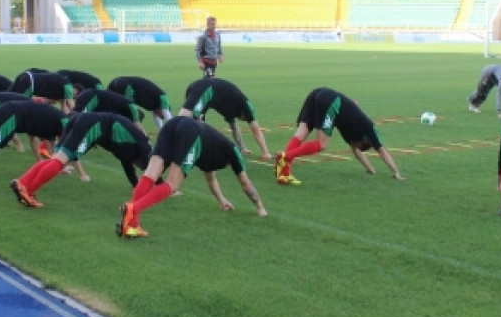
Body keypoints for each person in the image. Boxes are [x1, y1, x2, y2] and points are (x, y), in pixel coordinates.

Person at [116, 116, 266, 239]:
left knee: (150, 175)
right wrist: (260, 207)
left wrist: (222, 200)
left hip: (173, 123)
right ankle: (132, 208)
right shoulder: (235, 153)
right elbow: (245, 183)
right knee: (172, 184)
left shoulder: (214, 154)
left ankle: (132, 226)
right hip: (192, 133)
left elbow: (211, 179)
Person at [10, 112, 151, 208]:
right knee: (60, 161)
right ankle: (27, 191)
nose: (136, 165)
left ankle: (23, 182)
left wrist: (136, 184)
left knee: (56, 159)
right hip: (92, 124)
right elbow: (150, 166)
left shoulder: (129, 149)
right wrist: (159, 183)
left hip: (80, 119)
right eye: (139, 165)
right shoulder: (142, 144)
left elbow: (128, 166)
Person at [274, 87, 404, 185]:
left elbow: (356, 150)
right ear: (363, 141)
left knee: (300, 134)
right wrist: (396, 172)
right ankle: (285, 156)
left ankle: (283, 173)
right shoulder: (369, 129)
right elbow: (382, 151)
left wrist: (370, 169)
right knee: (321, 144)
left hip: (317, 93)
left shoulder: (351, 134)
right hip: (330, 100)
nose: (356, 147)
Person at [179, 77, 272, 159]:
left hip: (201, 92)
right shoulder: (246, 105)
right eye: (245, 119)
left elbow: (234, 128)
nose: (244, 120)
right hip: (206, 88)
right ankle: (174, 149)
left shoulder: (231, 111)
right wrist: (266, 152)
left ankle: (192, 150)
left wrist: (243, 148)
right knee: (183, 118)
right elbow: (256, 130)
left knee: (198, 125)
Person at [106, 75, 174, 128]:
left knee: (108, 106)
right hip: (126, 86)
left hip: (117, 82)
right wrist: (173, 129)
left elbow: (156, 116)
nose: (159, 116)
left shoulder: (154, 107)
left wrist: (161, 130)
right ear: (163, 109)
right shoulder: (163, 98)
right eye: (162, 116)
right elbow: (169, 118)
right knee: (132, 114)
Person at [73, 87, 145, 130]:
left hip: (93, 100)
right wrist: (146, 140)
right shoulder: (132, 108)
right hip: (92, 97)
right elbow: (137, 125)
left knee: (77, 119)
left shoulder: (121, 112)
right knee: (75, 119)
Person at [8, 69, 75, 113]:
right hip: (29, 82)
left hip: (26, 76)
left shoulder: (61, 92)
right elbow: (72, 106)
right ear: (76, 90)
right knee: (21, 106)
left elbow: (63, 107)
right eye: (75, 95)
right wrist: (79, 117)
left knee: (8, 96)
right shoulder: (68, 86)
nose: (73, 96)